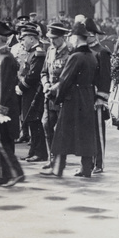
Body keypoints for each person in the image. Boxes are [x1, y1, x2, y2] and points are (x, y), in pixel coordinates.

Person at [41, 22, 98, 178]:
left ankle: (57, 168)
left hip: (73, 100)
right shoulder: (91, 56)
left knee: (62, 135)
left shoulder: (75, 57)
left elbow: (65, 81)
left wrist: (55, 96)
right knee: (86, 135)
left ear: (75, 38)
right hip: (87, 97)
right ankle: (86, 169)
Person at [0, 21, 25, 187]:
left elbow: (6, 86)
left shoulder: (6, 58)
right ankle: (2, 175)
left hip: (5, 108)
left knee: (2, 142)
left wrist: (1, 109)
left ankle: (16, 173)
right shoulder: (0, 57)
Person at [39, 22, 71, 169]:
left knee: (62, 130)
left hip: (63, 97)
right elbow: (44, 72)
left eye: (55, 38)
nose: (51, 41)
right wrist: (46, 85)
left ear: (62, 37)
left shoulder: (70, 52)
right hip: (49, 97)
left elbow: (68, 77)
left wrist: (54, 88)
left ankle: (60, 160)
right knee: (46, 125)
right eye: (50, 38)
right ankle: (51, 158)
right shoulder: (50, 50)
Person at [16, 25, 47, 163]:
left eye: (24, 39)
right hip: (29, 92)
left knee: (35, 121)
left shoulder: (38, 53)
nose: (22, 42)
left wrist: (21, 87)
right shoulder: (31, 52)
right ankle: (33, 151)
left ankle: (40, 153)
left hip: (35, 92)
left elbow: (33, 75)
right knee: (30, 120)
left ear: (32, 38)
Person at [85, 18, 112, 174]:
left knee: (98, 131)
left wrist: (102, 98)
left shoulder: (102, 52)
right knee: (87, 130)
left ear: (92, 35)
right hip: (84, 96)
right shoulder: (83, 51)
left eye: (87, 35)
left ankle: (99, 163)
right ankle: (88, 161)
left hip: (97, 98)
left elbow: (105, 77)